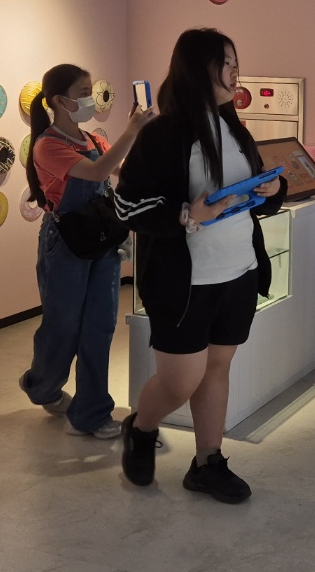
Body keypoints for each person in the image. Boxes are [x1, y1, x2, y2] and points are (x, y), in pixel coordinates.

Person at [114, 29, 287, 503]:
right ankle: (141, 428)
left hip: (239, 270)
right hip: (185, 283)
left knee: (217, 369)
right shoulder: (162, 133)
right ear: (197, 69)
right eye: (225, 64)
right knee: (179, 381)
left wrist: (273, 190)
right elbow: (126, 206)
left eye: (235, 63)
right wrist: (185, 214)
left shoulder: (234, 127)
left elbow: (252, 192)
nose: (235, 73)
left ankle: (207, 462)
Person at [19, 64, 150, 438]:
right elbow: (96, 173)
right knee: (63, 326)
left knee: (100, 326)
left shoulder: (94, 140)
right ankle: (42, 386)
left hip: (101, 238)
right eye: (83, 92)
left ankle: (91, 413)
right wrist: (131, 130)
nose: (90, 99)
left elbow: (117, 171)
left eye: (91, 91)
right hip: (65, 243)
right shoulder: (48, 146)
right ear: (59, 100)